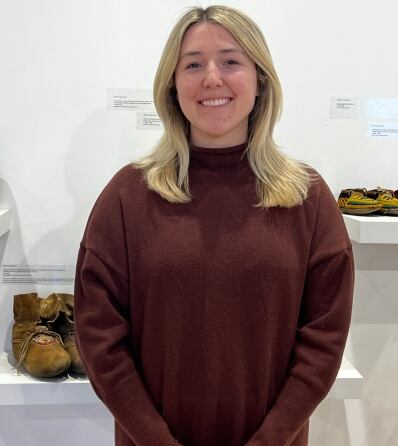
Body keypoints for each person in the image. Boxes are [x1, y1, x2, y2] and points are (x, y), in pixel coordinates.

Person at [74, 5, 354, 446]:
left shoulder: (308, 197)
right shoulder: (127, 196)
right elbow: (99, 336)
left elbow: (324, 337)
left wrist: (272, 439)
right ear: (172, 83)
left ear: (260, 79)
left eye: (230, 61)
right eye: (192, 64)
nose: (211, 78)